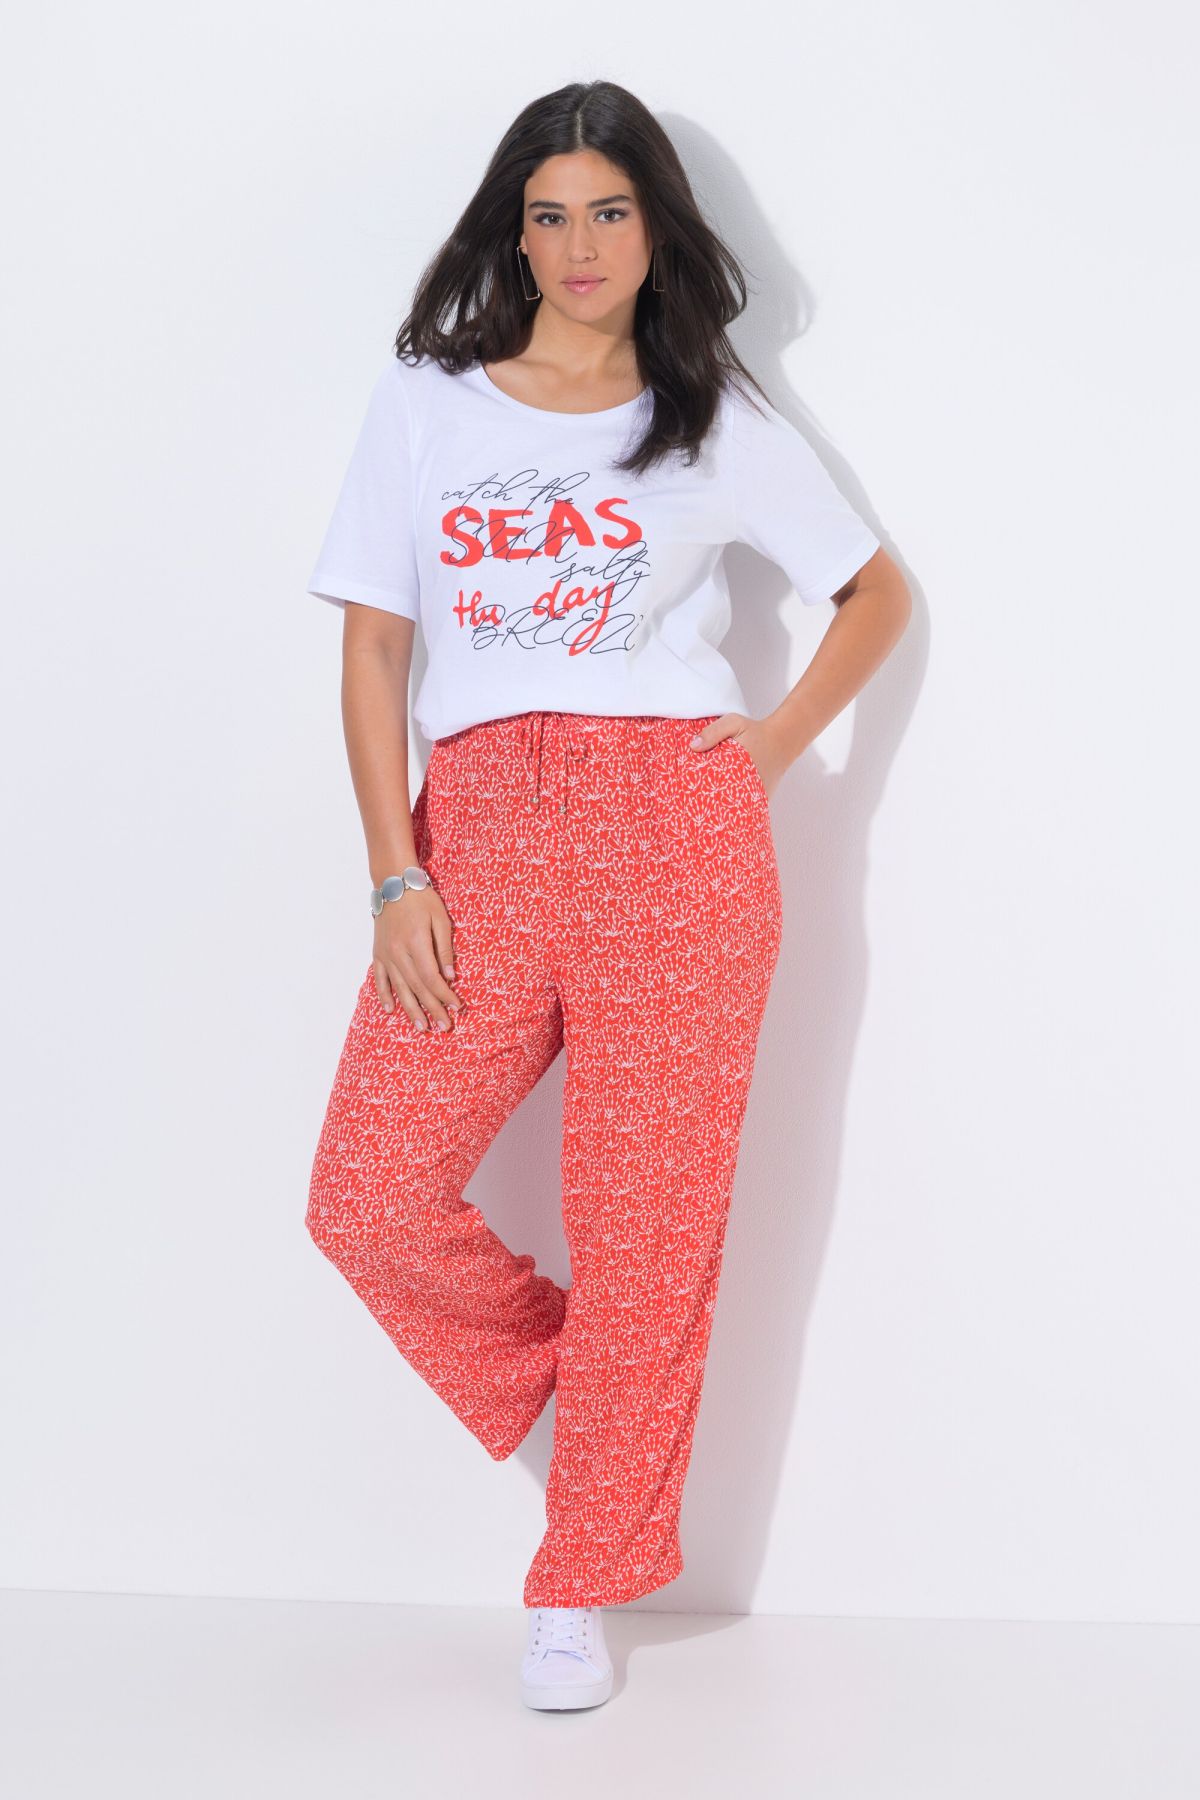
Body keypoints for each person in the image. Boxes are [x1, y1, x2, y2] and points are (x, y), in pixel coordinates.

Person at [302, 78, 911, 1713]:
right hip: (480, 830)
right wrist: (394, 870)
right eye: (551, 215)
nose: (581, 246)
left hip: (675, 833)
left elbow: (874, 592)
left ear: (657, 229)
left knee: (649, 1228)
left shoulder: (713, 413)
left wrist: (772, 744)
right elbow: (373, 647)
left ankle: (576, 1586)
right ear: (516, 231)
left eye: (612, 212)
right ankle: (602, 1393)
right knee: (368, 1194)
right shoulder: (430, 402)